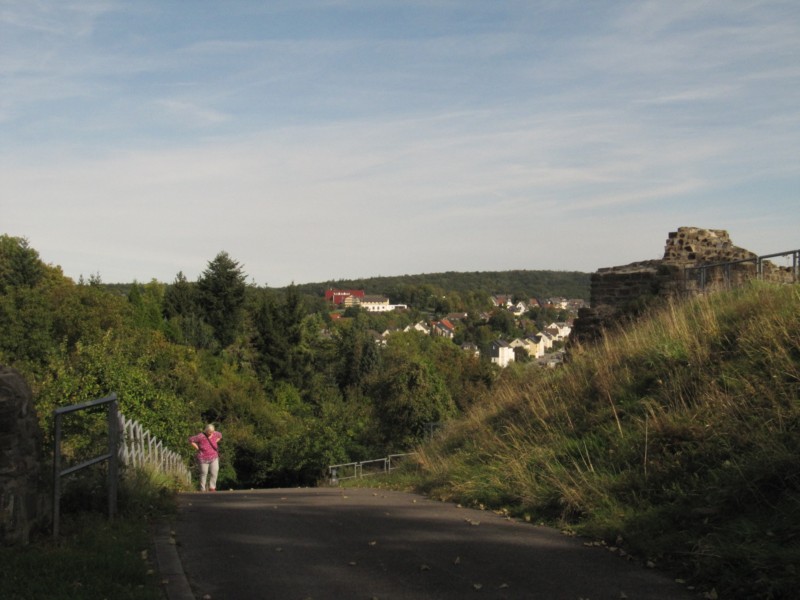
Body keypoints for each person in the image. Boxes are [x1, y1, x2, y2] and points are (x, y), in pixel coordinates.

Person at [189, 424, 222, 492]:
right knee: (204, 473)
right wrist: (197, 447)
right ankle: (202, 489)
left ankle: (212, 487)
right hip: (203, 458)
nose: (211, 433)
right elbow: (190, 440)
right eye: (210, 432)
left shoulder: (215, 433)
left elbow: (220, 435)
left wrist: (215, 441)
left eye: (212, 431)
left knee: (215, 472)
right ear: (206, 430)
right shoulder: (200, 436)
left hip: (214, 456)